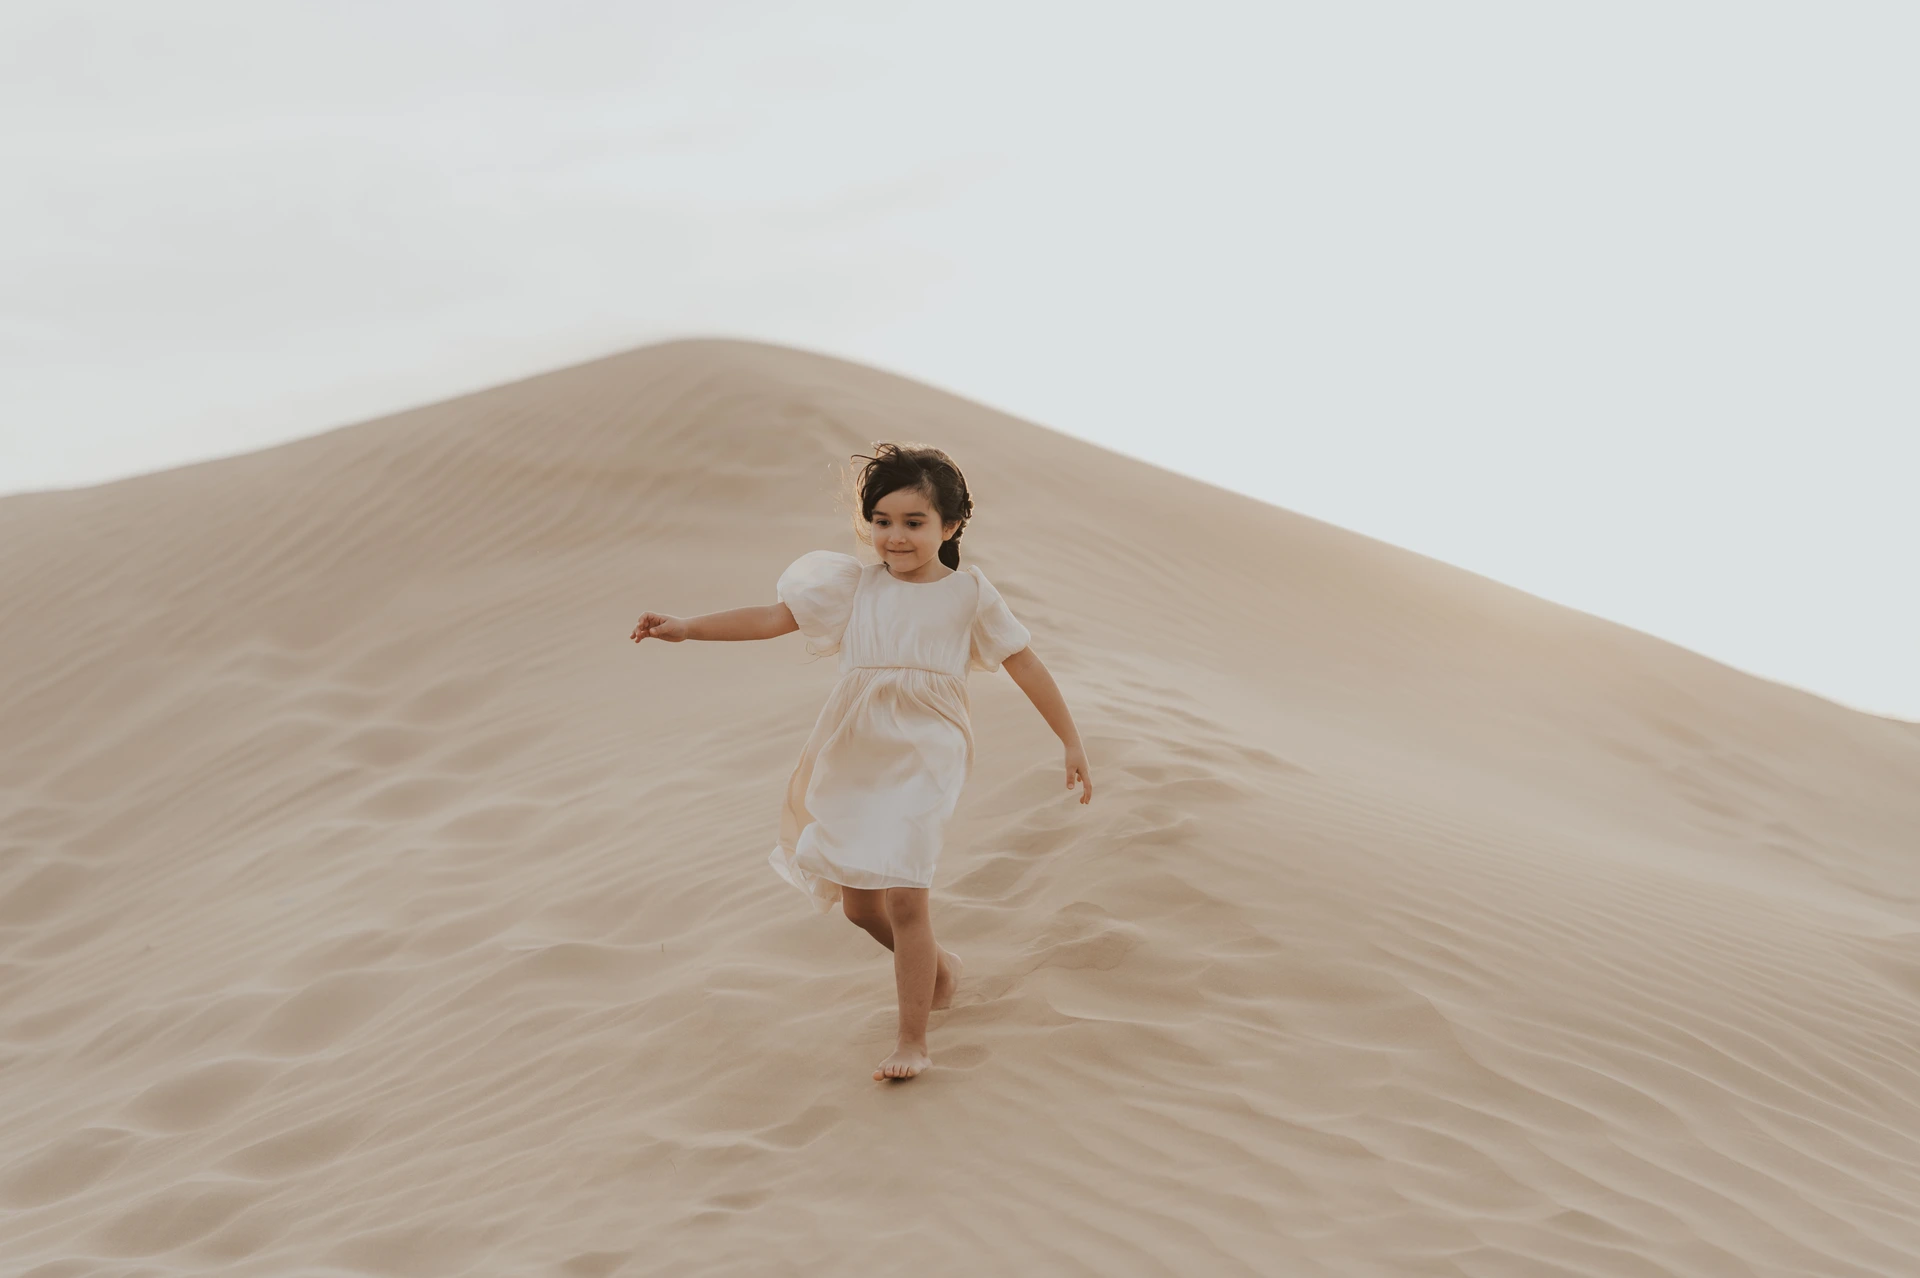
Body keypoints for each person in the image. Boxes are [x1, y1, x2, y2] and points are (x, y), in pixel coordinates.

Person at [630, 442, 1093, 1082]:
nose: (894, 537)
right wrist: (686, 626)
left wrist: (1069, 740)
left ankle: (913, 1041)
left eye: (913, 523)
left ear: (950, 526)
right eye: (881, 522)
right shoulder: (851, 585)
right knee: (860, 906)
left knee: (906, 892)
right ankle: (939, 968)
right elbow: (771, 619)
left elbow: (1024, 663)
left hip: (930, 745)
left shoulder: (970, 595)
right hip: (854, 742)